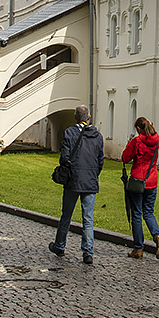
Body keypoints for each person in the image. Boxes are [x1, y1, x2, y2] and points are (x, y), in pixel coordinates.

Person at [49, 104, 104, 265]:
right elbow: (100, 160)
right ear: (88, 117)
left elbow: (64, 157)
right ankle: (88, 252)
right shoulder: (97, 136)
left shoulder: (70, 133)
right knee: (88, 218)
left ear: (75, 117)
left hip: (73, 179)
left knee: (66, 215)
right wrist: (93, 173)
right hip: (90, 180)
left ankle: (60, 245)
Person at [121, 116, 159, 259]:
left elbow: (125, 158)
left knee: (137, 215)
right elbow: (154, 139)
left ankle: (138, 248)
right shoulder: (157, 140)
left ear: (139, 129)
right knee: (149, 213)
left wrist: (129, 143)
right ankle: (157, 236)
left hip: (138, 181)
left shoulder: (137, 141)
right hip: (152, 180)